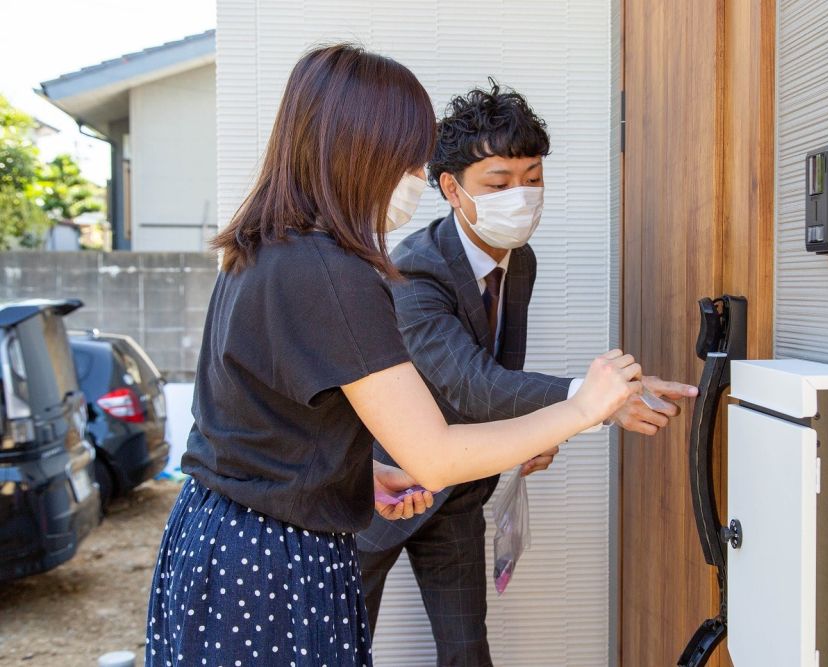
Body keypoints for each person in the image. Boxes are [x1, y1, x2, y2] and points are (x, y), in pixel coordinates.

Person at [144, 45, 642, 667]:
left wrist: (359, 471)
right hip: (274, 561)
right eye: (408, 159)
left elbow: (256, 423)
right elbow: (433, 454)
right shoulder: (335, 273)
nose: (415, 177)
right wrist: (586, 405)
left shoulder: (265, 247)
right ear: (360, 152)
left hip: (220, 536)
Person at [357, 82, 698, 666]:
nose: (521, 197)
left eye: (533, 180)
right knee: (341, 646)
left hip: (459, 490)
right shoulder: (414, 271)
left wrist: (531, 436)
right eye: (498, 183)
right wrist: (589, 403)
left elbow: (494, 376)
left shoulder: (522, 261)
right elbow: (471, 382)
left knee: (468, 653)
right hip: (379, 491)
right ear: (451, 188)